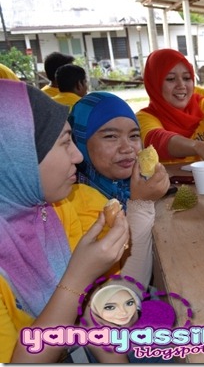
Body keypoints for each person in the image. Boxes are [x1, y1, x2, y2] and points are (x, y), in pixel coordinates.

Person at [0, 80, 130, 362]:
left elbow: (93, 318)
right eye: (63, 143)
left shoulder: (50, 209)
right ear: (16, 160)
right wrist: (78, 277)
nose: (78, 155)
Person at [69, 92, 170, 287]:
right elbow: (125, 292)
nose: (127, 148)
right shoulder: (77, 204)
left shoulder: (130, 185)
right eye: (111, 136)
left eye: (134, 136)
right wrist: (141, 204)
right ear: (79, 142)